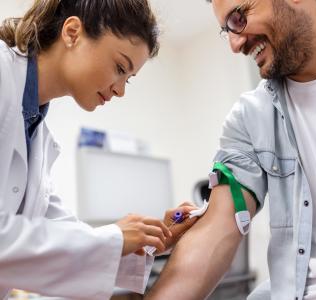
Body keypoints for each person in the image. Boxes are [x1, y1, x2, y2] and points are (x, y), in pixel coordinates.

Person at [145, 0, 316, 299]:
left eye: (238, 18)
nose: (234, 44)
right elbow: (215, 228)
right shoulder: (249, 118)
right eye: (226, 30)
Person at [0, 0, 198, 299]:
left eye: (128, 78)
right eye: (120, 68)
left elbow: (57, 240)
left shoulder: (35, 130)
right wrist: (115, 236)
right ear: (72, 32)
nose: (120, 90)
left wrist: (152, 240)